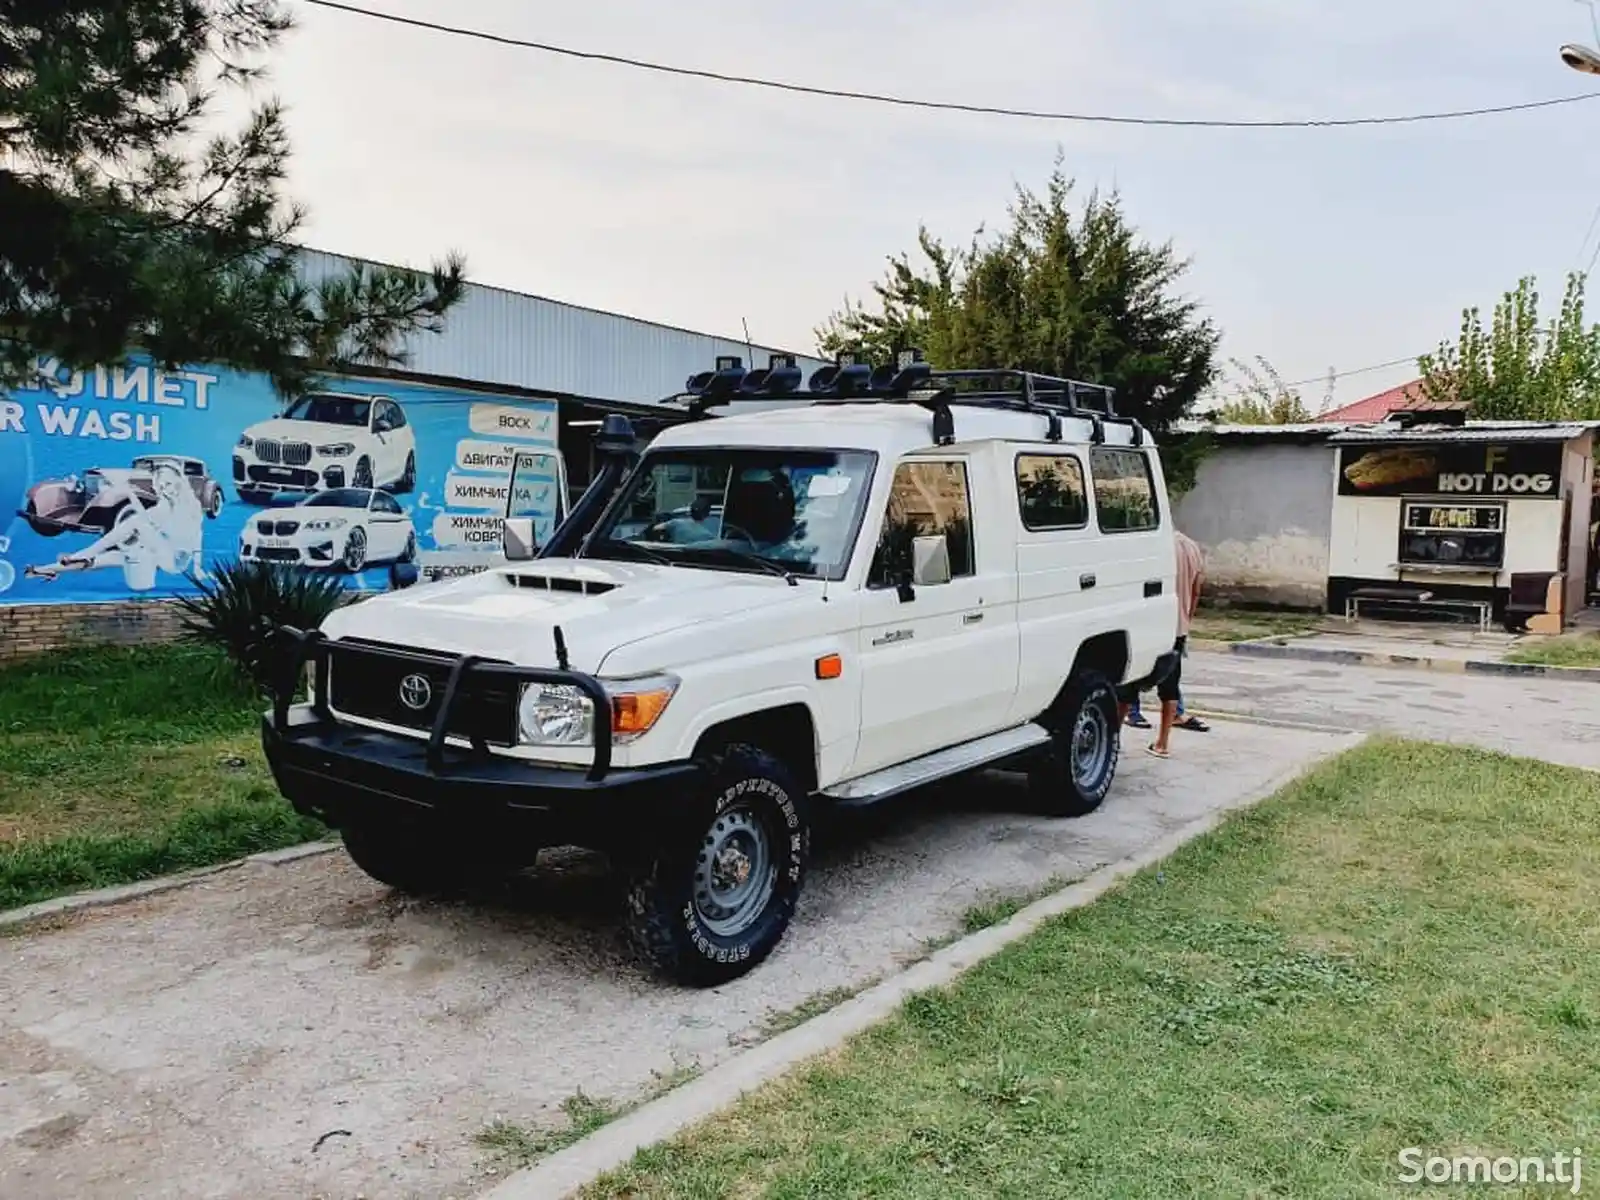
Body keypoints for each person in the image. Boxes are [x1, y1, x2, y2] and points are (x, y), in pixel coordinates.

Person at [1141, 529, 1205, 760]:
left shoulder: (1154, 544)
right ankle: (1162, 743)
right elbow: (1197, 590)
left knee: (1127, 688)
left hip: (1151, 626)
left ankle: (1113, 739)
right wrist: (1187, 617)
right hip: (1178, 626)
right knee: (1170, 686)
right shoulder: (1192, 547)